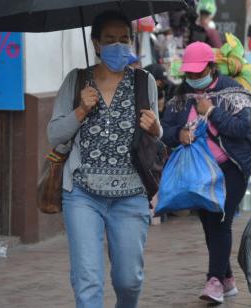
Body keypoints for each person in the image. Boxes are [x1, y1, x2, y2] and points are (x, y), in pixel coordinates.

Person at [47, 11, 162, 308]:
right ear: (96, 43)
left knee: (129, 279)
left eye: (124, 39)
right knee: (87, 279)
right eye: (109, 40)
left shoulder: (144, 81)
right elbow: (54, 135)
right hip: (82, 195)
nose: (118, 45)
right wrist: (80, 111)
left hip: (131, 195)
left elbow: (155, 135)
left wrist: (156, 128)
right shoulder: (76, 81)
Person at [161, 42, 251, 304]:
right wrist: (178, 134)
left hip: (232, 167)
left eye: (199, 73)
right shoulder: (180, 94)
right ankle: (227, 279)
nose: (194, 78)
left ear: (211, 68)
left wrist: (212, 111)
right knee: (209, 224)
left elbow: (240, 129)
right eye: (190, 74)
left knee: (220, 220)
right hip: (198, 172)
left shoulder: (232, 90)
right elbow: (165, 128)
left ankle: (215, 281)